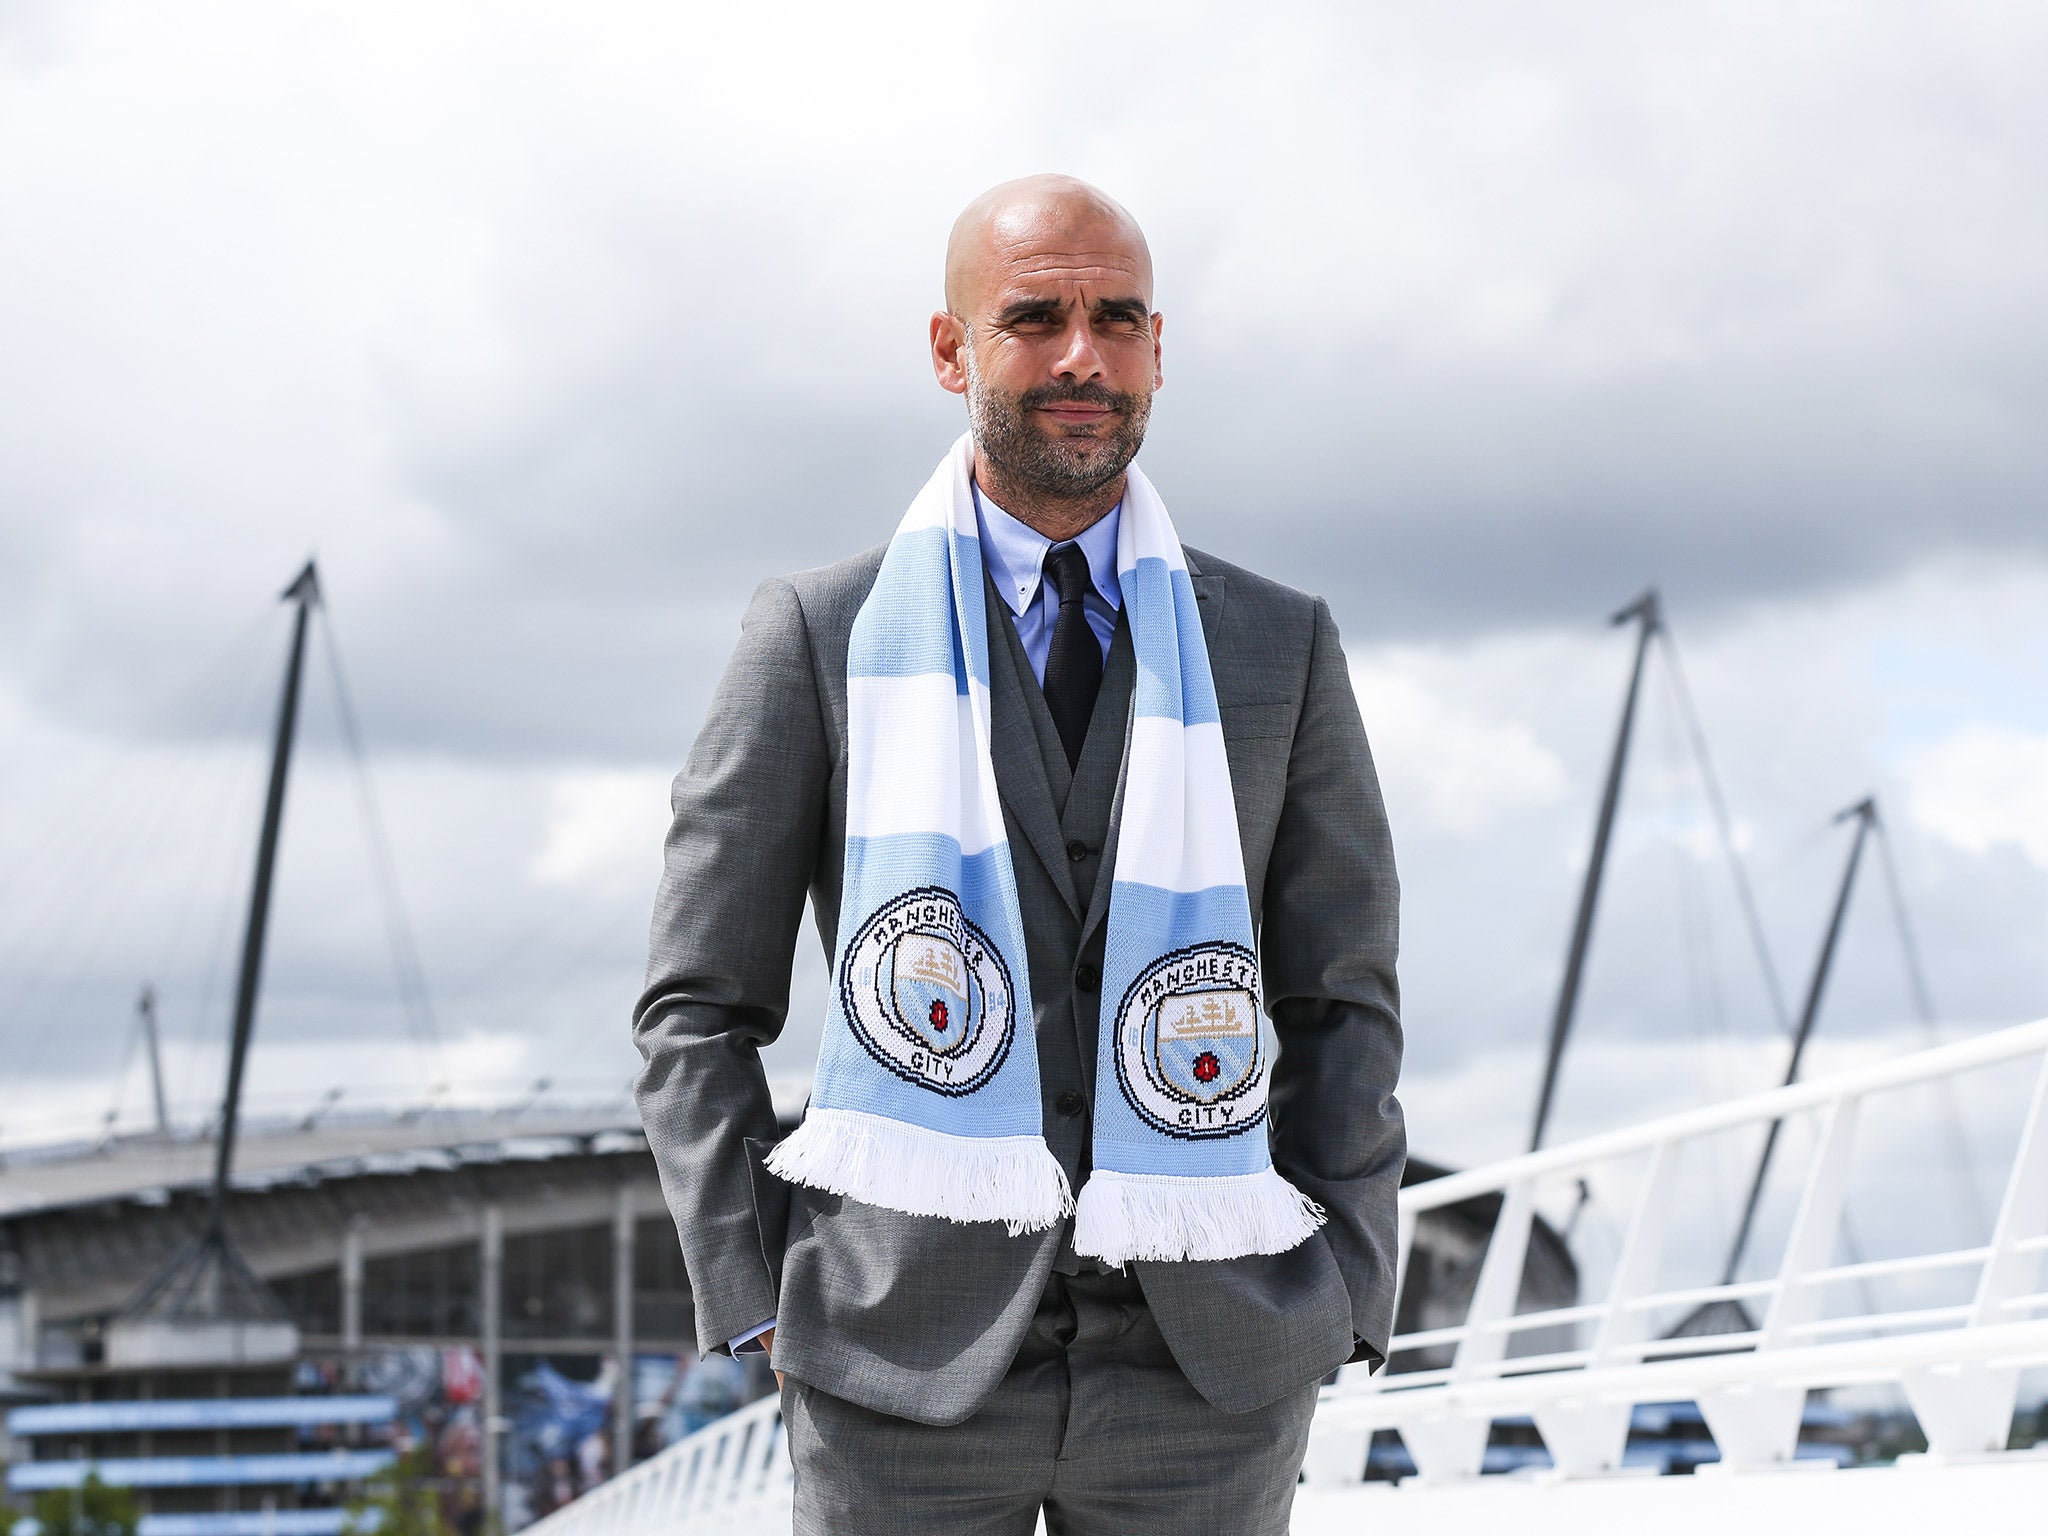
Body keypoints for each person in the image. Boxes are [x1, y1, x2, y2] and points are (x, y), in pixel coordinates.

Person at [635, 174, 1403, 1535]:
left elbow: (1343, 998)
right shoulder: (818, 635)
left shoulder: (1280, 646)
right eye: (1034, 317)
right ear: (951, 350)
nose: (1082, 359)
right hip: (896, 1368)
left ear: (1159, 347)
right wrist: (756, 1301)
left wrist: (1346, 1279)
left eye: (1118, 319)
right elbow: (697, 1007)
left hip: (1209, 1371)